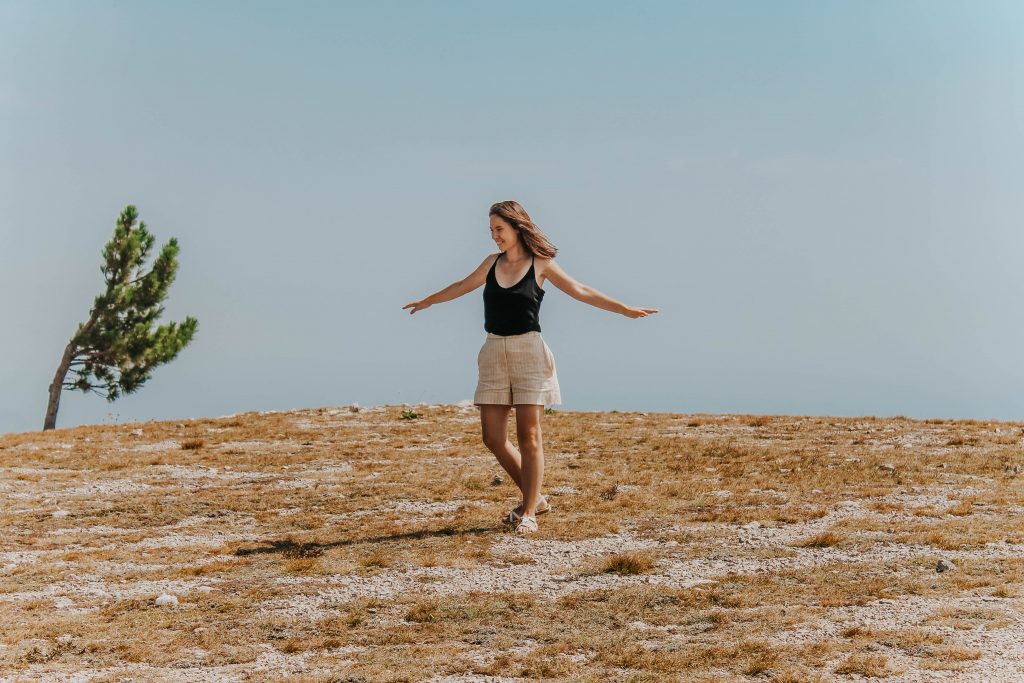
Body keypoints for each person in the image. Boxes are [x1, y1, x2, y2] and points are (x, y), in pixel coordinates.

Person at [403, 200, 657, 534]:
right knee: (492, 437)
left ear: (517, 227)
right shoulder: (491, 263)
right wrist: (428, 300)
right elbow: (461, 286)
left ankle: (529, 513)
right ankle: (535, 498)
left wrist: (622, 308)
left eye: (499, 230)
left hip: (529, 352)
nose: (495, 236)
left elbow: (580, 290)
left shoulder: (542, 264)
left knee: (529, 436)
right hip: (493, 351)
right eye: (492, 230)